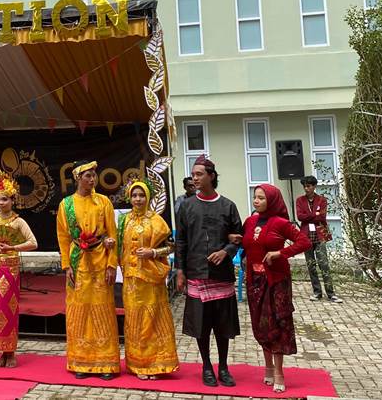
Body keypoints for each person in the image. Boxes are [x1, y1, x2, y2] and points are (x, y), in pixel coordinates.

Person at [175, 155, 243, 387]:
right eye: (193, 175)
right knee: (202, 326)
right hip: (196, 273)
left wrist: (226, 251)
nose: (194, 178)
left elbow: (238, 237)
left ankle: (223, 367)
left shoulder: (228, 206)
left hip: (221, 275)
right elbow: (181, 241)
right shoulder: (186, 206)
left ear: (211, 176)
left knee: (222, 326)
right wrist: (180, 272)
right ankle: (206, 366)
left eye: (199, 174)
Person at [242, 184, 311, 393]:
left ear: (271, 200)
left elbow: (304, 241)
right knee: (261, 324)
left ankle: (280, 372)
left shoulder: (281, 223)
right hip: (254, 281)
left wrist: (281, 253)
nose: (257, 201)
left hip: (276, 281)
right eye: (255, 197)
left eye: (261, 198)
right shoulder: (250, 221)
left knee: (277, 323)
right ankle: (268, 367)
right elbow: (248, 243)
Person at [56, 160, 120, 380]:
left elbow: (113, 234)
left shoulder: (103, 202)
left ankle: (106, 364)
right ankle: (80, 361)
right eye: (88, 176)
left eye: (94, 175)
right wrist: (66, 267)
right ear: (78, 178)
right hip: (78, 261)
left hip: (101, 259)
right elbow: (63, 239)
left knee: (102, 309)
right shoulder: (66, 205)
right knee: (79, 311)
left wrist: (112, 264)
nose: (92, 179)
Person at [117, 179, 179, 380]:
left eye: (141, 195)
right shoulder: (123, 221)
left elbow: (171, 246)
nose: (137, 199)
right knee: (134, 321)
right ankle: (137, 365)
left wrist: (153, 252)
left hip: (151, 281)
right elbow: (120, 248)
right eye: (134, 195)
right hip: (131, 281)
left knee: (152, 320)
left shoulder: (157, 221)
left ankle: (157, 364)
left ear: (148, 197)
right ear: (129, 197)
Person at [0, 171, 37, 368]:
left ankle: (10, 351)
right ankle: (0, 350)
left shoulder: (18, 221)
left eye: (4, 199)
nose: (1, 203)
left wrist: (13, 247)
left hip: (10, 270)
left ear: (12, 200)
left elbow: (33, 243)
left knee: (8, 310)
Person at [296, 176, 342, 303]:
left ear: (314, 186)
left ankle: (331, 293)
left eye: (309, 186)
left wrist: (310, 216)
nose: (306, 188)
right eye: (305, 186)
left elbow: (322, 217)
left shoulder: (322, 200)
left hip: (320, 235)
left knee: (324, 264)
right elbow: (300, 216)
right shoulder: (300, 200)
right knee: (311, 265)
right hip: (306, 237)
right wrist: (314, 215)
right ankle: (317, 292)